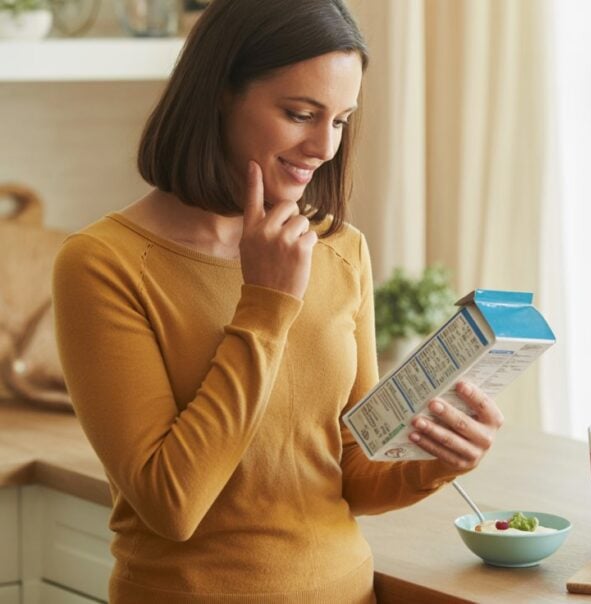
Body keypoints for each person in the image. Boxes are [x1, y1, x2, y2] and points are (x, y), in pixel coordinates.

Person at [51, 1, 504, 602]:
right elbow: (172, 503)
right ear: (220, 93)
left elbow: (349, 471)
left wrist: (439, 460)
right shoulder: (102, 264)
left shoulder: (342, 249)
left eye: (341, 120)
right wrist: (265, 305)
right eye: (300, 114)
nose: (323, 145)